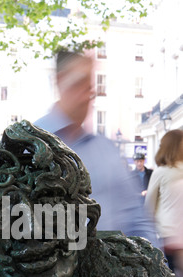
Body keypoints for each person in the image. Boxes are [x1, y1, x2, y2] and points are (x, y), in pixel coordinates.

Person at [34, 50, 158, 246]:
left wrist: (159, 265)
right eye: (79, 83)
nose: (87, 94)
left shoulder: (106, 151)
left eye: (89, 85)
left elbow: (136, 217)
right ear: (59, 81)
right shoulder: (26, 146)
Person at [145, 130, 183, 277]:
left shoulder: (160, 172)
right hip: (173, 240)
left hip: (169, 238)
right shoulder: (165, 172)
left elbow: (148, 208)